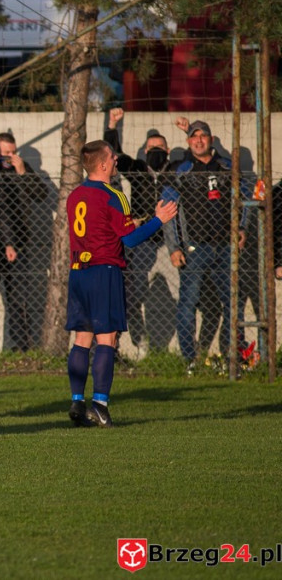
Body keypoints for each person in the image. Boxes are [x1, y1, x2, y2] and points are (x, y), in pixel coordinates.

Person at [65, 140, 176, 427]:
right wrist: (158, 219)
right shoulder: (114, 194)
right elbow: (129, 239)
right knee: (107, 339)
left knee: (81, 339)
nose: (116, 161)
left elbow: (100, 228)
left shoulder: (74, 195)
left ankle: (77, 402)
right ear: (102, 164)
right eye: (113, 157)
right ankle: (100, 405)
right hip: (104, 271)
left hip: (78, 271)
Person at [162, 118, 249, 370]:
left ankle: (234, 358)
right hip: (194, 248)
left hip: (226, 247)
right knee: (188, 303)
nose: (198, 140)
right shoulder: (181, 170)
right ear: (188, 141)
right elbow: (168, 212)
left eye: (203, 136)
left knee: (233, 302)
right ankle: (190, 359)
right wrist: (174, 247)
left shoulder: (227, 167)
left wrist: (242, 228)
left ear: (211, 140)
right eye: (193, 136)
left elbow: (245, 199)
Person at [103, 108, 172, 355]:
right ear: (144, 152)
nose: (155, 151)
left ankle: (182, 353)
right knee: (132, 297)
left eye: (160, 147)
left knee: (180, 296)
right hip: (142, 243)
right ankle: (140, 345)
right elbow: (115, 156)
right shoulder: (140, 171)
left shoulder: (174, 171)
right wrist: (112, 125)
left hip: (170, 244)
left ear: (167, 151)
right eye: (151, 147)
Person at [0, 132, 46, 354]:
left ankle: (21, 345)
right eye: (6, 153)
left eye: (13, 152)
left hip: (19, 242)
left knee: (17, 298)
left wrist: (23, 173)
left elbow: (41, 194)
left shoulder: (21, 167)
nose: (10, 156)